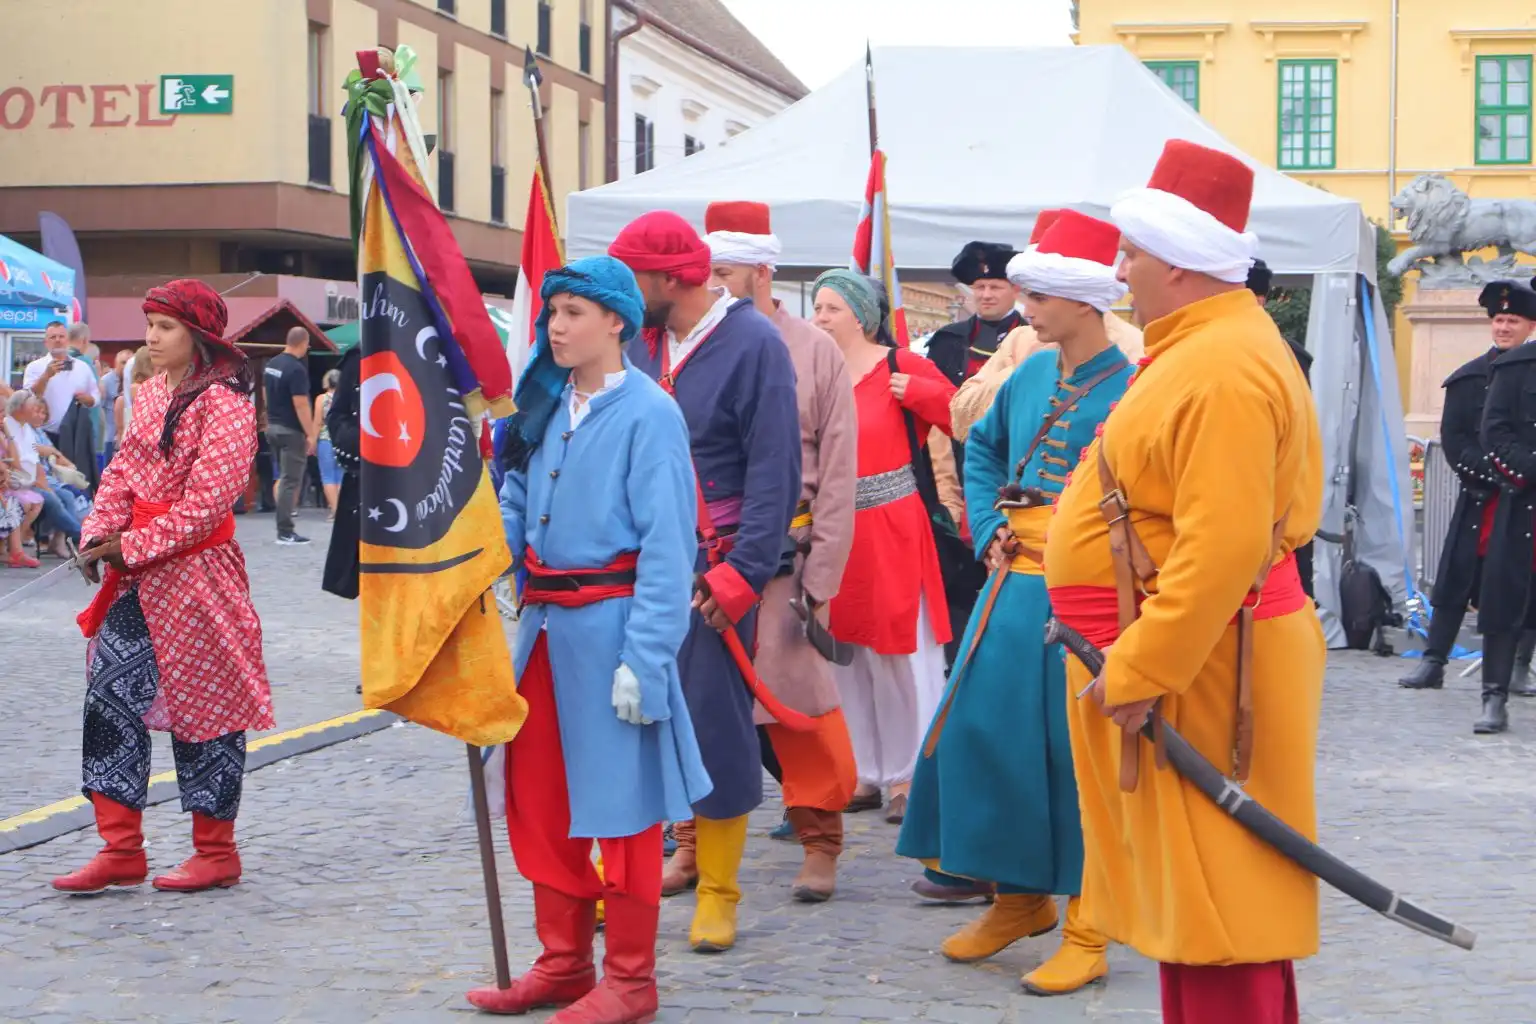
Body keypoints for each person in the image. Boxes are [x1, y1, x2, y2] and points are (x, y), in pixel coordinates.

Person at [1043, 139, 1324, 1024]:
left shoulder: (1224, 366)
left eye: (1132, 252)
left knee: (1219, 898)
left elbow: (1223, 547)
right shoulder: (1204, 346)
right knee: (1201, 898)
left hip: (1202, 665)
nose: (1120, 270)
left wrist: (1138, 671)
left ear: (1177, 260)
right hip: (1190, 657)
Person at [466, 256, 712, 1021]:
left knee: (624, 814)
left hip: (613, 639)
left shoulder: (649, 414)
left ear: (617, 322)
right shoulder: (542, 403)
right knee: (539, 803)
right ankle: (565, 963)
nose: (556, 326)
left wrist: (646, 657)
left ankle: (631, 981)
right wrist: (476, 564)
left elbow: (670, 550)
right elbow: (514, 496)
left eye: (573, 311)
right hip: (540, 636)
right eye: (551, 312)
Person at [898, 212, 1135, 998]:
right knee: (980, 736)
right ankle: (1019, 899)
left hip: (1089, 599)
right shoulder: (1028, 373)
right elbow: (987, 448)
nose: (1024, 307)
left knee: (1078, 761)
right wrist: (993, 523)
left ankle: (1089, 926)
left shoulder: (1134, 388)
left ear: (1082, 298)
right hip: (1010, 586)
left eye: (1038, 294)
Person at [610, 211, 801, 953]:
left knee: (715, 731)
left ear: (669, 279)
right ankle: (630, 876)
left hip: (711, 566)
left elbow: (776, 468)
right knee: (631, 721)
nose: (623, 293)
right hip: (635, 562)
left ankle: (720, 891)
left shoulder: (755, 344)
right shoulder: (640, 338)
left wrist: (742, 575)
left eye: (632, 279)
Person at [51, 279, 273, 895]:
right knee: (109, 697)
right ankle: (121, 848)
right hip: (138, 578)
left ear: (199, 336)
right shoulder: (148, 394)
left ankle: (216, 851)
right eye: (150, 323)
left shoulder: (226, 403)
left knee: (207, 709)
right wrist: (100, 531)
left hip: (199, 573)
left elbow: (209, 504)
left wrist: (134, 545)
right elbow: (123, 471)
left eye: (166, 326)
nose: (152, 335)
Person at [705, 200, 859, 902]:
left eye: (725, 271)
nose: (710, 283)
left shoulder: (813, 350)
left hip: (785, 557)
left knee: (801, 710)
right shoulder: (688, 346)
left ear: (762, 272)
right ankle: (691, 843)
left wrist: (820, 576)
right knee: (697, 703)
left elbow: (838, 468)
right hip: (708, 558)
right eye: (705, 270)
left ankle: (819, 837)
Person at [811, 269, 955, 824]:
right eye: (817, 308)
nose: (819, 318)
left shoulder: (899, 365)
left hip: (893, 523)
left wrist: (919, 392)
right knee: (845, 653)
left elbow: (965, 415)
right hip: (836, 528)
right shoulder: (816, 372)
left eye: (830, 309)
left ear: (859, 316)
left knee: (901, 652)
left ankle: (911, 771)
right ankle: (864, 770)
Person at [1399, 279, 1536, 696]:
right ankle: (1434, 660)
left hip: (1525, 500)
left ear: (1529, 326)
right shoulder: (1470, 377)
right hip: (1482, 496)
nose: (1503, 327)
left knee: (1525, 583)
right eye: (1498, 319)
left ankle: (1517, 666)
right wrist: (1493, 472)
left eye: (1512, 320)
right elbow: (1456, 439)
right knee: (1455, 580)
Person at [950, 212, 1145, 443]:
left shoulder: (1135, 349)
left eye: (1039, 297)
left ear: (1081, 300)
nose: (1028, 311)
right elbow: (961, 420)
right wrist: (1021, 375)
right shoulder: (1021, 339)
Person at [1468, 278, 1536, 734]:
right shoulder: (1515, 368)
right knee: (1504, 600)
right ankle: (1494, 697)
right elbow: (1495, 433)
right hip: (1523, 503)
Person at [5, 391, 82, 550]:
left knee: (67, 496)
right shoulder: (8, 426)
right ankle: (80, 535)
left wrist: (43, 483)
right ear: (20, 408)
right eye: (32, 408)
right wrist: (41, 484)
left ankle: (61, 541)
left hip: (32, 479)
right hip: (19, 481)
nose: (35, 412)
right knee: (53, 500)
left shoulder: (25, 427)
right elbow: (15, 462)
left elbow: (35, 461)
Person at [262, 326, 315, 545]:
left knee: (282, 478)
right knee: (290, 480)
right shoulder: (296, 369)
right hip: (290, 430)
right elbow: (301, 403)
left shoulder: (272, 364)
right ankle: (285, 531)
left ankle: (283, 526)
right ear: (303, 343)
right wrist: (310, 434)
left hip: (273, 427)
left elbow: (265, 393)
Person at [23, 320, 99, 445]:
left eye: (61, 336)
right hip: (43, 433)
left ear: (67, 341)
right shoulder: (34, 367)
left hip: (75, 434)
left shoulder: (82, 367)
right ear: (46, 342)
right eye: (53, 337)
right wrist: (46, 376)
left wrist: (88, 399)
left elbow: (96, 396)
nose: (58, 340)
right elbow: (28, 398)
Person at [314, 368, 342, 521]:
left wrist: (312, 440)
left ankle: (335, 509)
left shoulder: (322, 399)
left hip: (326, 439)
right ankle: (343, 509)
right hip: (342, 440)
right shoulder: (346, 397)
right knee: (341, 475)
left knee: (328, 476)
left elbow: (318, 422)